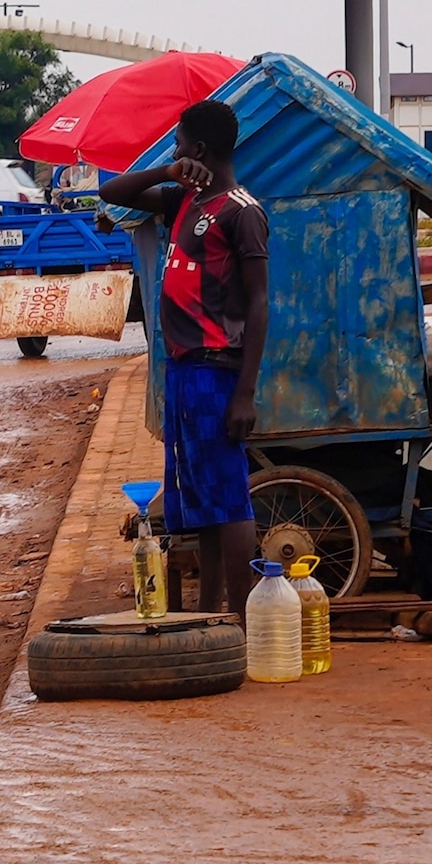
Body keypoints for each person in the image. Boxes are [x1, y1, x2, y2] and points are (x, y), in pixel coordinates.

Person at [98, 100, 269, 621]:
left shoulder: (242, 211)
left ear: (199, 148)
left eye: (177, 144)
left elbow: (260, 303)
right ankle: (210, 612)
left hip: (217, 372)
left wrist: (244, 392)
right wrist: (169, 172)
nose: (174, 151)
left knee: (229, 503)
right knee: (200, 508)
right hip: (183, 373)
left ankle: (241, 625)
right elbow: (113, 192)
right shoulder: (182, 201)